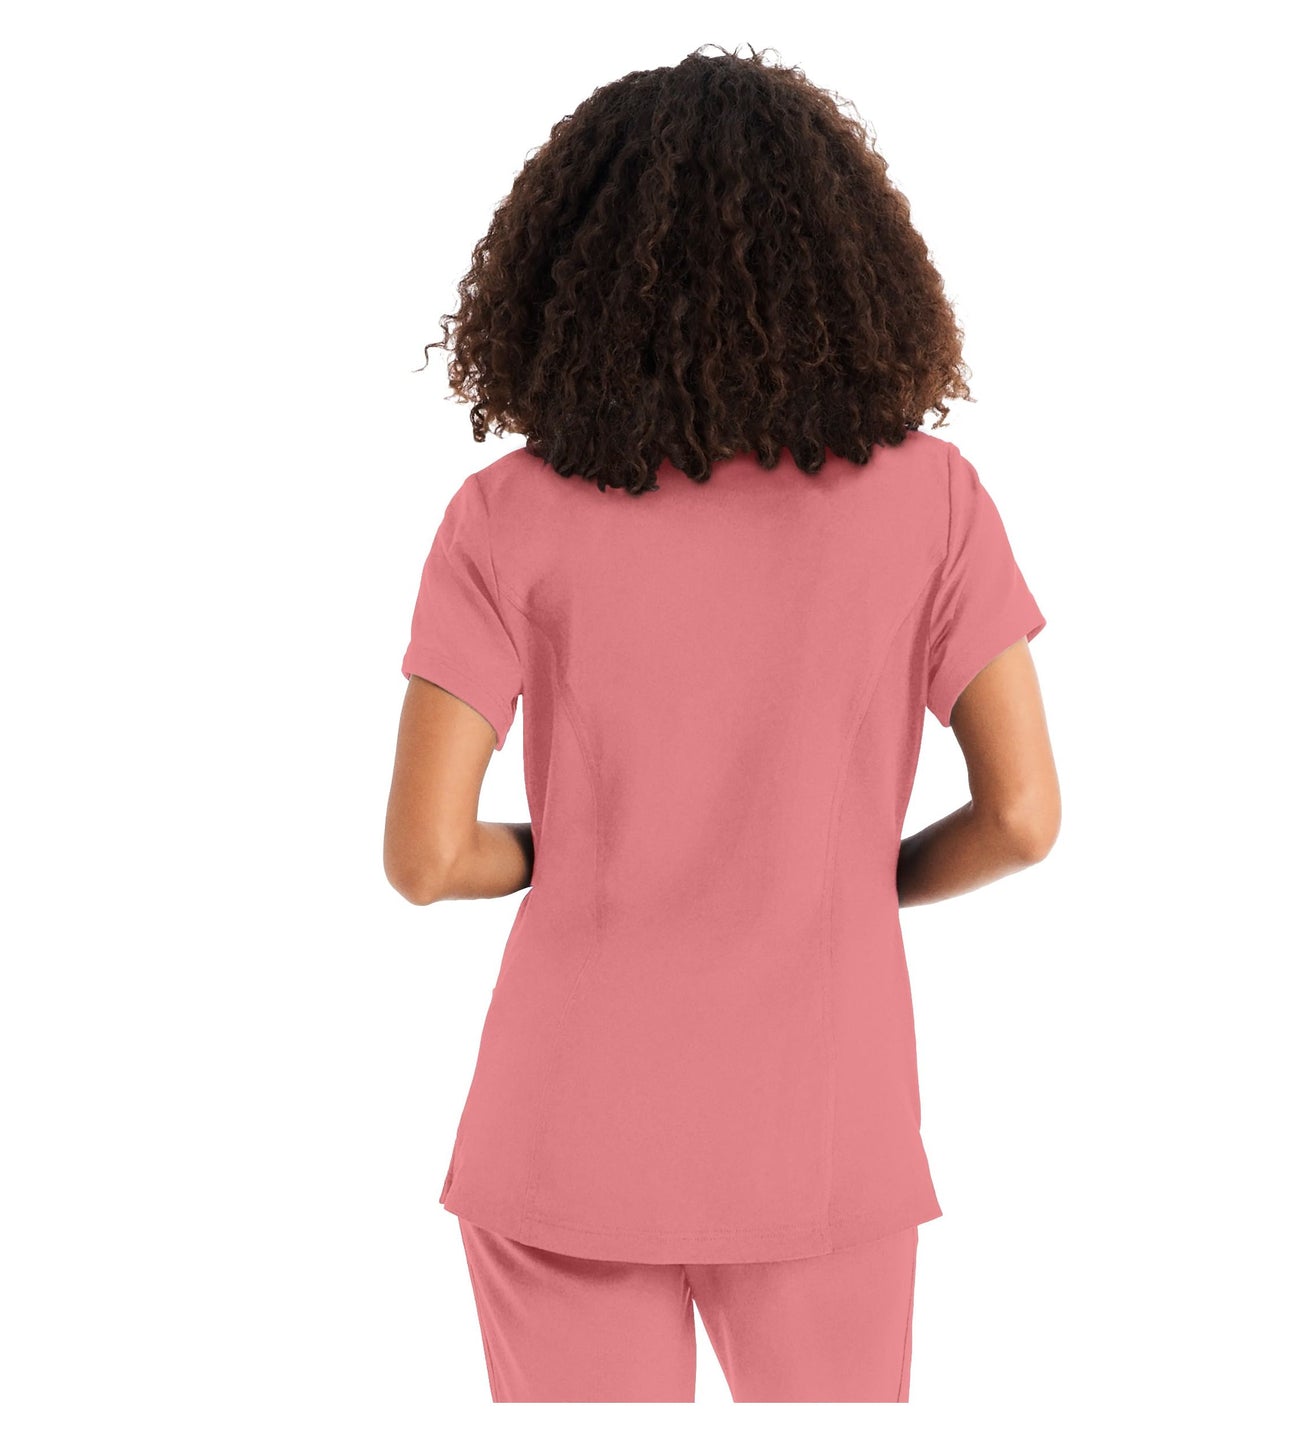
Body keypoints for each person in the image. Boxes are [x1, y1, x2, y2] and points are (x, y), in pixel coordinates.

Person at [383, 44, 1061, 1404]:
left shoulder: (506, 516)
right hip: (823, 1128)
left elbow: (424, 856)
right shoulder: (932, 501)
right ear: (850, 263)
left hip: (565, 1133)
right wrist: (843, 877)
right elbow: (1023, 817)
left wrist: (560, 852)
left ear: (563, 272)